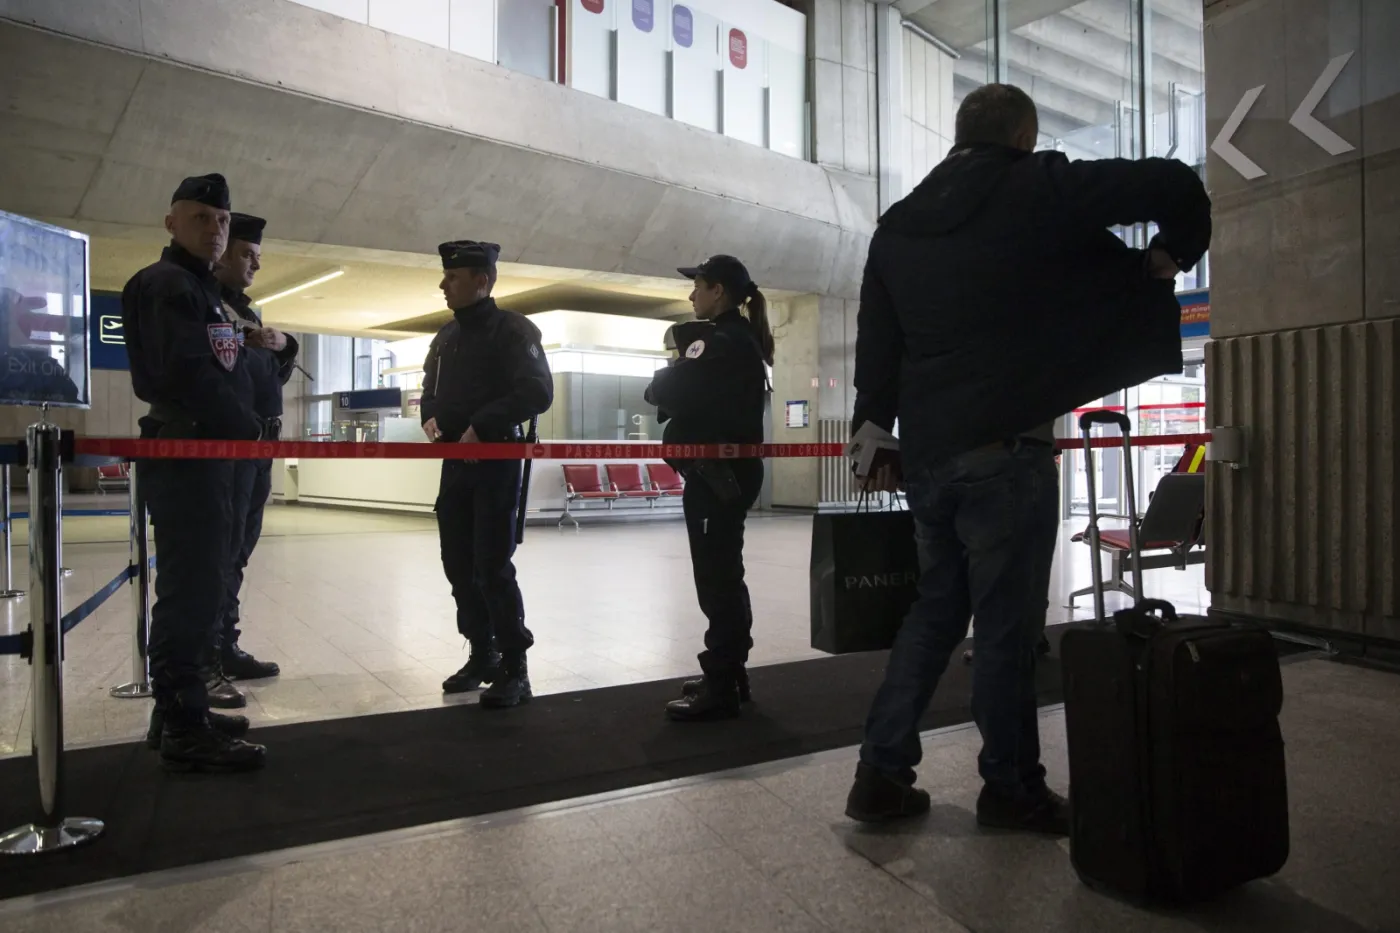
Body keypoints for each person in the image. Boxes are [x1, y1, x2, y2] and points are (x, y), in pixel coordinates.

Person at [843, 84, 1210, 831]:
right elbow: (1175, 184)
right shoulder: (1034, 184)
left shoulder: (898, 225)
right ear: (1023, 137)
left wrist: (872, 428)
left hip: (930, 456)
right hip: (1005, 450)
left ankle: (879, 774)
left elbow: (877, 345)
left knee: (935, 613)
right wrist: (1168, 257)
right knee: (1007, 630)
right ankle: (1009, 786)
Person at [124, 173, 273, 772]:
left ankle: (177, 711)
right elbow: (186, 375)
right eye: (201, 218)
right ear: (172, 223)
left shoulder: (201, 290)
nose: (214, 229)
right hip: (188, 452)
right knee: (191, 590)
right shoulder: (166, 285)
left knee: (203, 584)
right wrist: (248, 427)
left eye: (222, 221)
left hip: (210, 455)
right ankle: (185, 727)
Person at [422, 240, 552, 709]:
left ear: (482, 280)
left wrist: (483, 425)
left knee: (492, 567)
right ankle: (482, 654)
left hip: (496, 461)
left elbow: (537, 391)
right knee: (457, 565)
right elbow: (429, 390)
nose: (444, 284)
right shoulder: (445, 337)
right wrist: (430, 417)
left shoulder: (514, 330)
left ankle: (515, 667)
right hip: (455, 463)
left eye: (453, 277)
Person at [647, 255, 773, 722]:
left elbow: (669, 390)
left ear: (718, 290)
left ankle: (721, 683)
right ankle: (729, 672)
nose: (691, 294)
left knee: (716, 580)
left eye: (698, 286)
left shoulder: (719, 340)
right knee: (724, 574)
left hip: (716, 476)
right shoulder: (737, 339)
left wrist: (665, 379)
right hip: (722, 473)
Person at [207, 212, 298, 700]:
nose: (255, 265)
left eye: (258, 256)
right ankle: (207, 655)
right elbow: (209, 364)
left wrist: (283, 347)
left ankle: (225, 645)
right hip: (231, 447)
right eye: (247, 254)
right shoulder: (206, 303)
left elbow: (268, 378)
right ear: (221, 253)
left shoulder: (246, 310)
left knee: (238, 552)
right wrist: (246, 341)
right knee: (219, 554)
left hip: (259, 447)